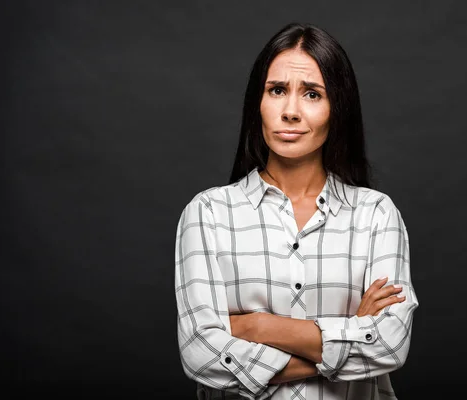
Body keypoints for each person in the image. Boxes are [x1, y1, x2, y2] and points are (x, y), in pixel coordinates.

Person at [174, 22, 418, 400]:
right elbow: (200, 354)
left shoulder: (376, 215)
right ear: (258, 102)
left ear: (338, 108)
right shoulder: (208, 214)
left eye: (312, 94)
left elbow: (389, 344)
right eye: (277, 90)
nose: (290, 111)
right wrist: (352, 328)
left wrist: (256, 326)